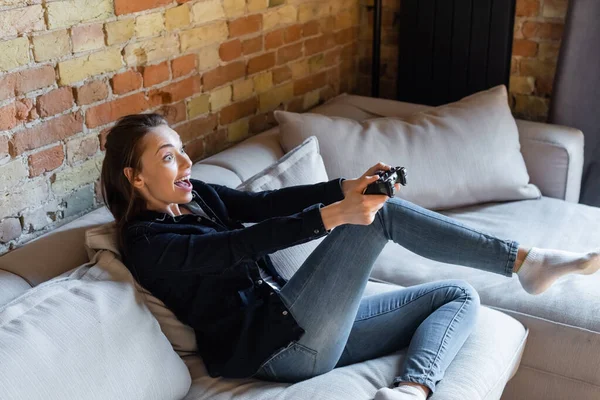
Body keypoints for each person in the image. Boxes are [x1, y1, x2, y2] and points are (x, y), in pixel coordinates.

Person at [100, 113, 600, 400]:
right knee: (378, 217)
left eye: (182, 150)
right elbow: (236, 245)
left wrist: (345, 186)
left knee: (457, 295)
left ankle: (410, 391)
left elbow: (262, 205)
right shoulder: (147, 242)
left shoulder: (199, 195)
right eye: (168, 157)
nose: (187, 162)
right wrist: (335, 215)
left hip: (299, 321)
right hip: (272, 349)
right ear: (135, 177)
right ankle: (525, 262)